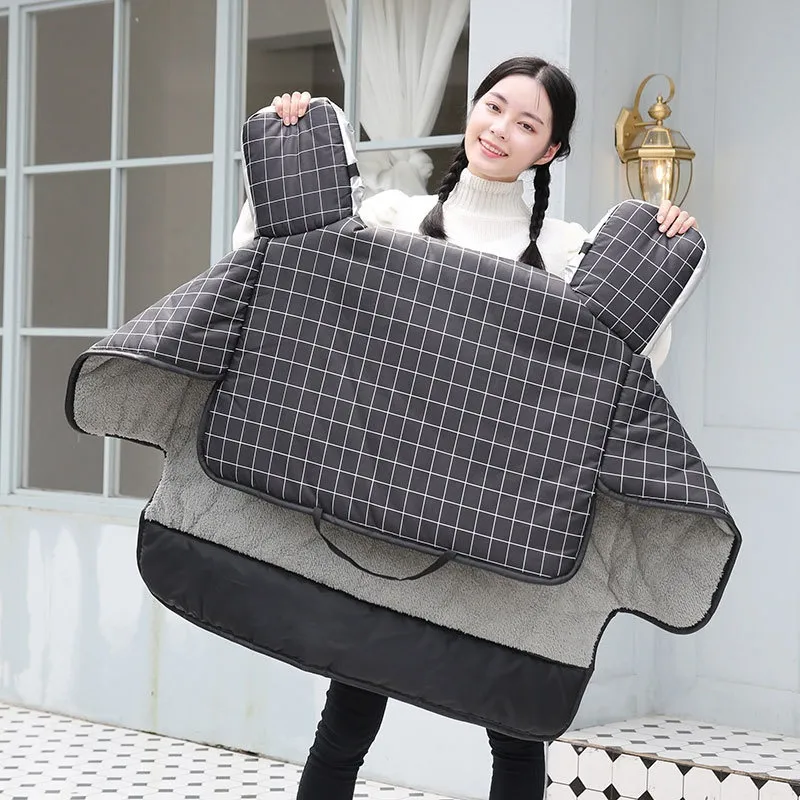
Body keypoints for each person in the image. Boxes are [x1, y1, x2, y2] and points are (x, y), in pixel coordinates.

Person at [232, 56, 698, 800]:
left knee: (516, 734)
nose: (502, 128)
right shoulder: (393, 221)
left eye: (528, 123)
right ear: (473, 109)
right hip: (389, 511)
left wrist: (665, 247)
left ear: (549, 150)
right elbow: (281, 272)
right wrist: (284, 141)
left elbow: (627, 363)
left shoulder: (567, 255)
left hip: (501, 522)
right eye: (494, 106)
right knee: (347, 722)